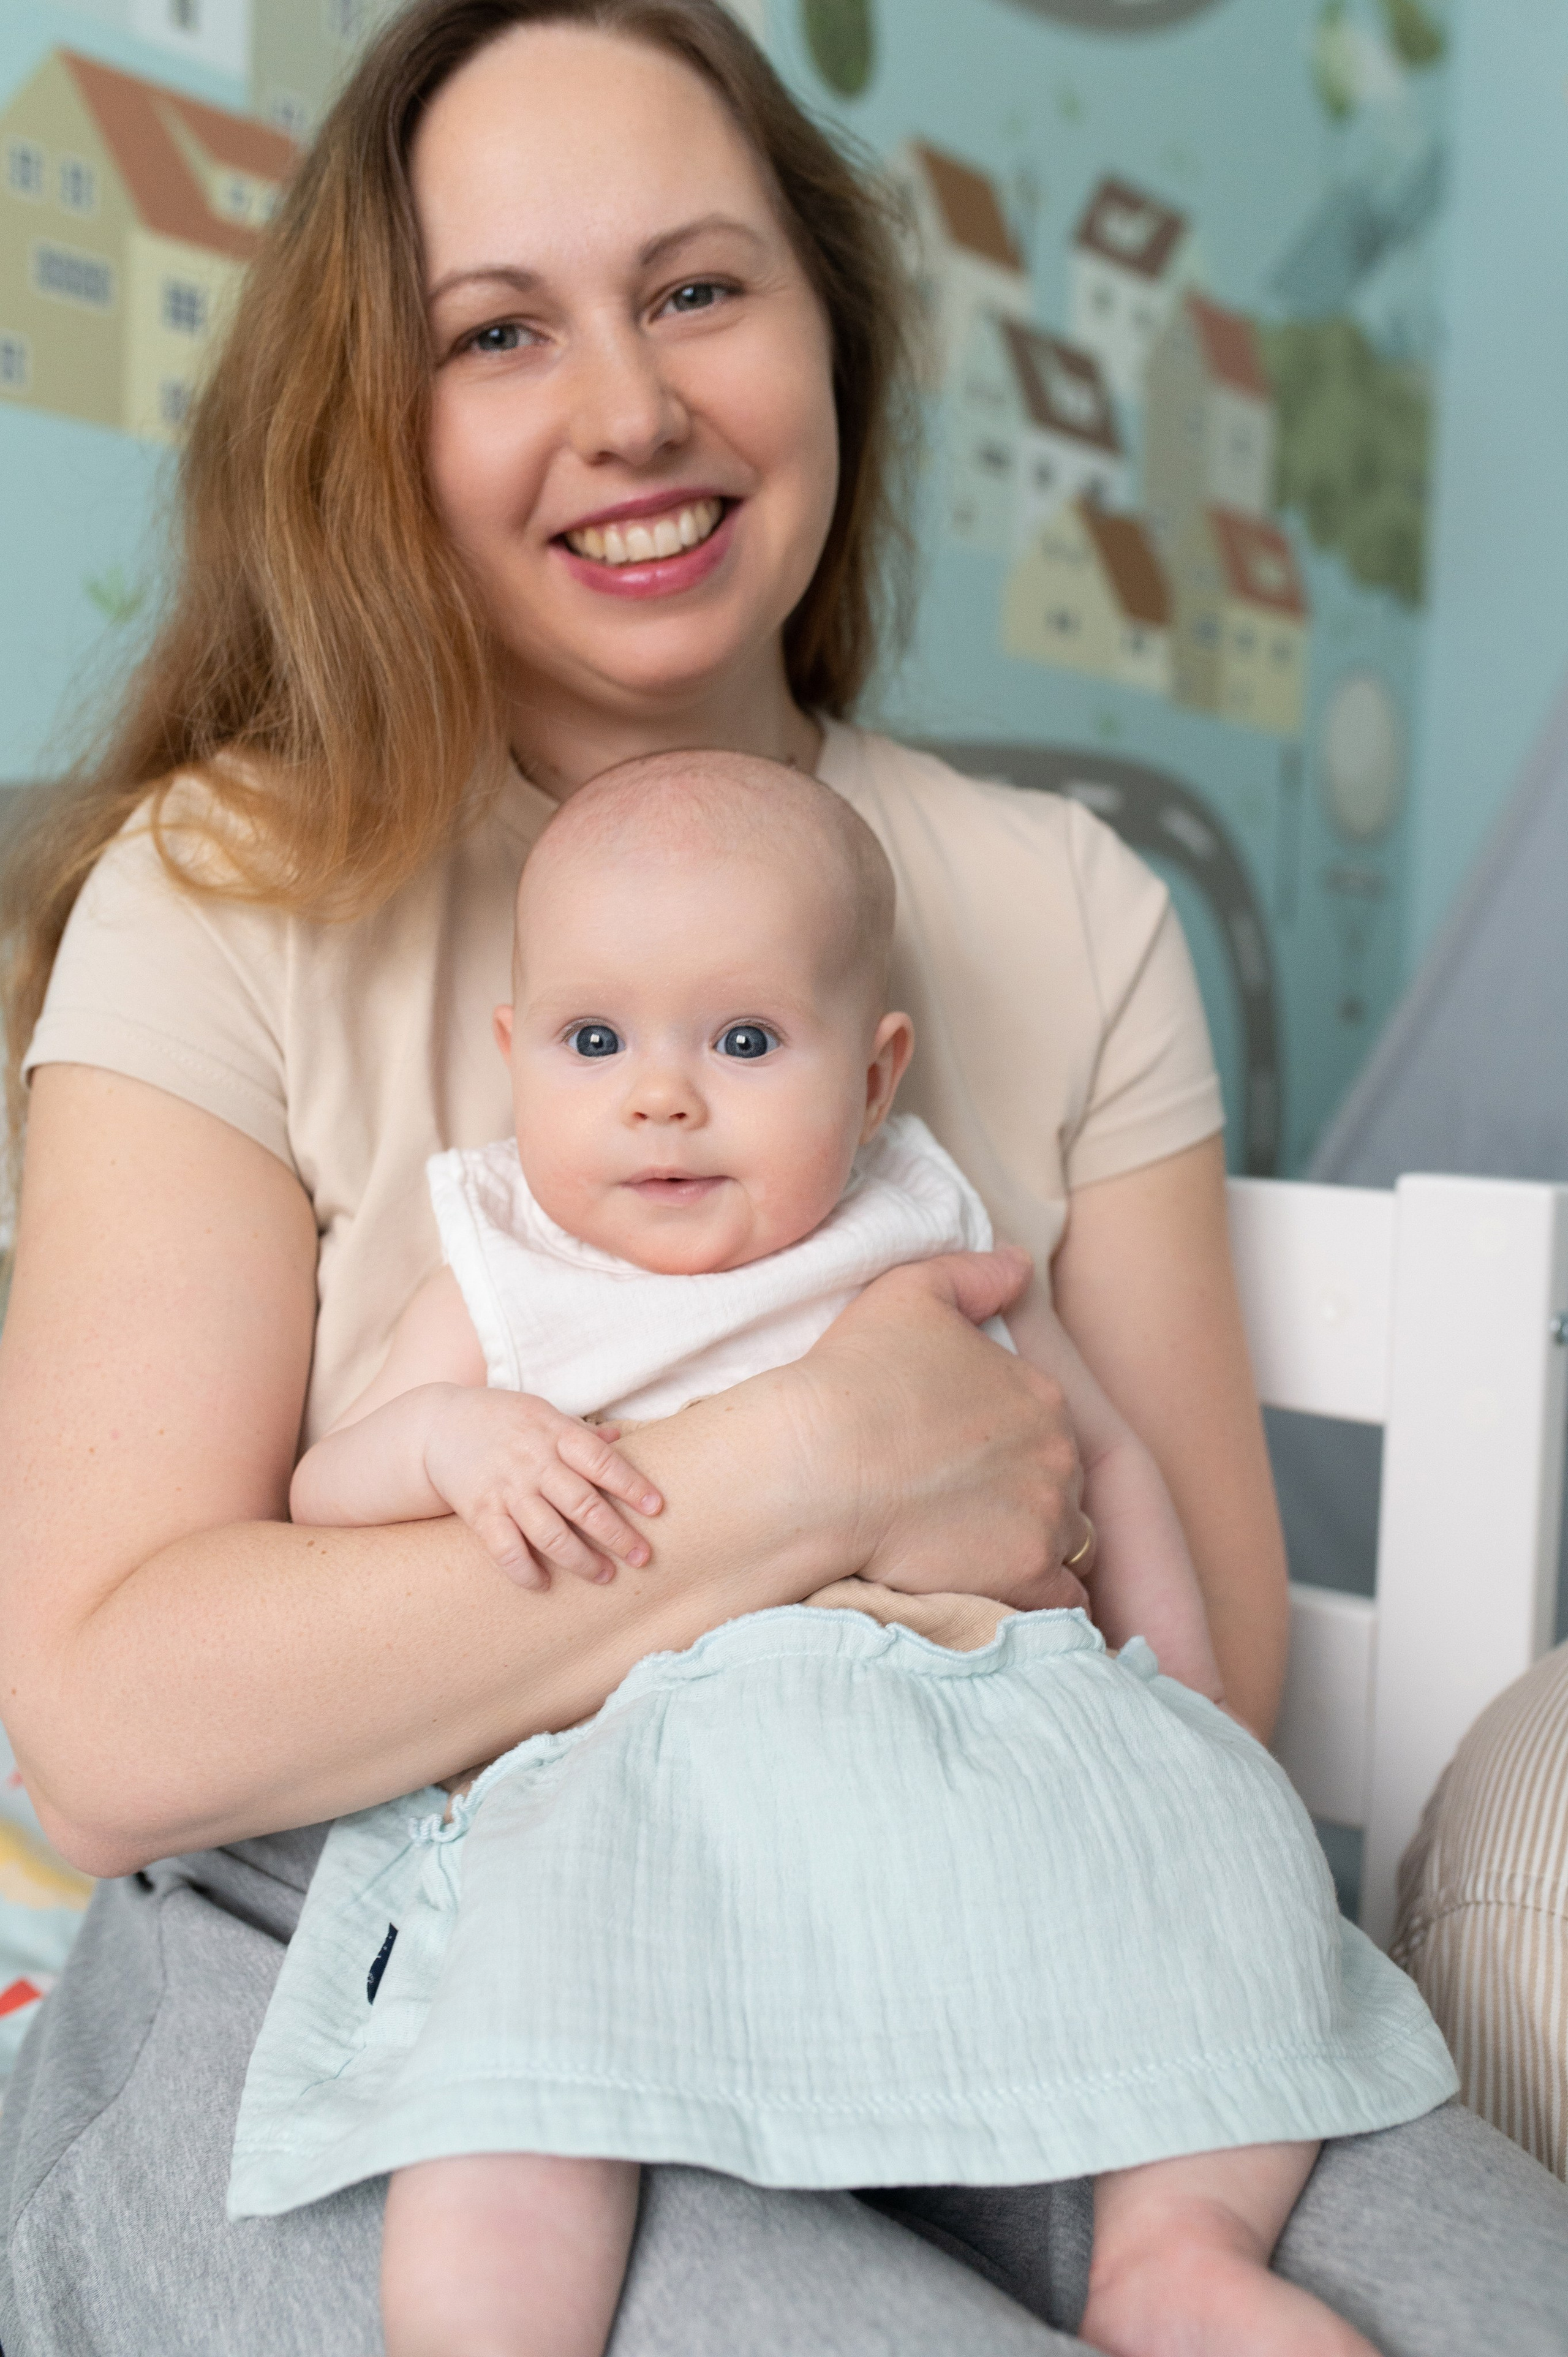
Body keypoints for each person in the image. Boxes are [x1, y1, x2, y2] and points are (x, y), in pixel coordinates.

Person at [0, 4, 1562, 2351]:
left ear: (833, 332)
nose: (628, 405)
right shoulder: (232, 889)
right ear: (379, 422)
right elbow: (114, 1731)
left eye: (699, 289)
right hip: (359, 1956)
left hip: (999, 1908)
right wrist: (819, 1463)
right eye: (499, 331)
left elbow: (1201, 1679)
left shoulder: (1065, 905)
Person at [239, 748, 1455, 2357]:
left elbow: (1105, 1456)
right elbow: (327, 1497)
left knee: (1231, 1923)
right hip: (664, 1790)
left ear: (876, 1079)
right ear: (515, 1053)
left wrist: (1199, 1720)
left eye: (745, 1041)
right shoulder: (503, 1271)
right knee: (509, 2058)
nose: (661, 1095)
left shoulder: (924, 1231)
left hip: (979, 1738)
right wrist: (454, 1443)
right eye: (596, 1042)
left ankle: (1178, 2256)